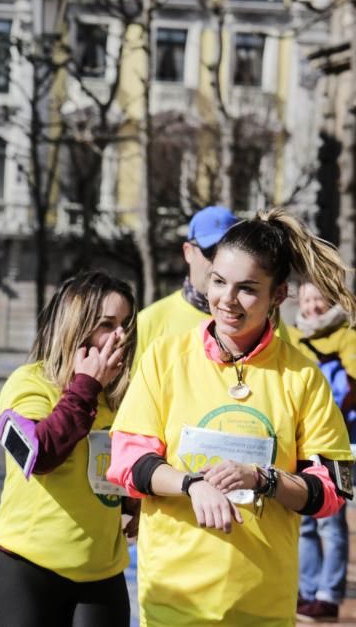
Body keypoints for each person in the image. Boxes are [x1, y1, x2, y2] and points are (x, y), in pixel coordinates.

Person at [107, 208, 356, 625]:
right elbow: (128, 459)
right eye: (219, 282)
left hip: (263, 608)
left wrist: (264, 478)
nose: (226, 299)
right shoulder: (166, 357)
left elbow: (334, 489)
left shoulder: (302, 377)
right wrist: (192, 485)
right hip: (173, 601)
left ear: (278, 295)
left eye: (247, 289)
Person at [0, 271, 137, 627]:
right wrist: (85, 388)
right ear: (75, 328)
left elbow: (119, 466)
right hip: (25, 567)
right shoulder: (30, 383)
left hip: (101, 573)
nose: (120, 336)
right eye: (106, 324)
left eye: (125, 324)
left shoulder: (123, 395)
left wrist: (135, 502)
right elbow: (40, 455)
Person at [289, 282, 356, 622]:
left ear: (330, 300)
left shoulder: (347, 333)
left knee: (332, 522)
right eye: (306, 299)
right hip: (300, 441)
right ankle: (307, 591)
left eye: (318, 299)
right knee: (306, 523)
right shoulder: (290, 335)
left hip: (336, 442)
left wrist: (329, 416)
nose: (313, 306)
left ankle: (329, 595)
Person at [134, 205, 237, 362]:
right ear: (188, 252)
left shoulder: (259, 322)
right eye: (210, 250)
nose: (219, 260)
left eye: (227, 251)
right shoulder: (147, 323)